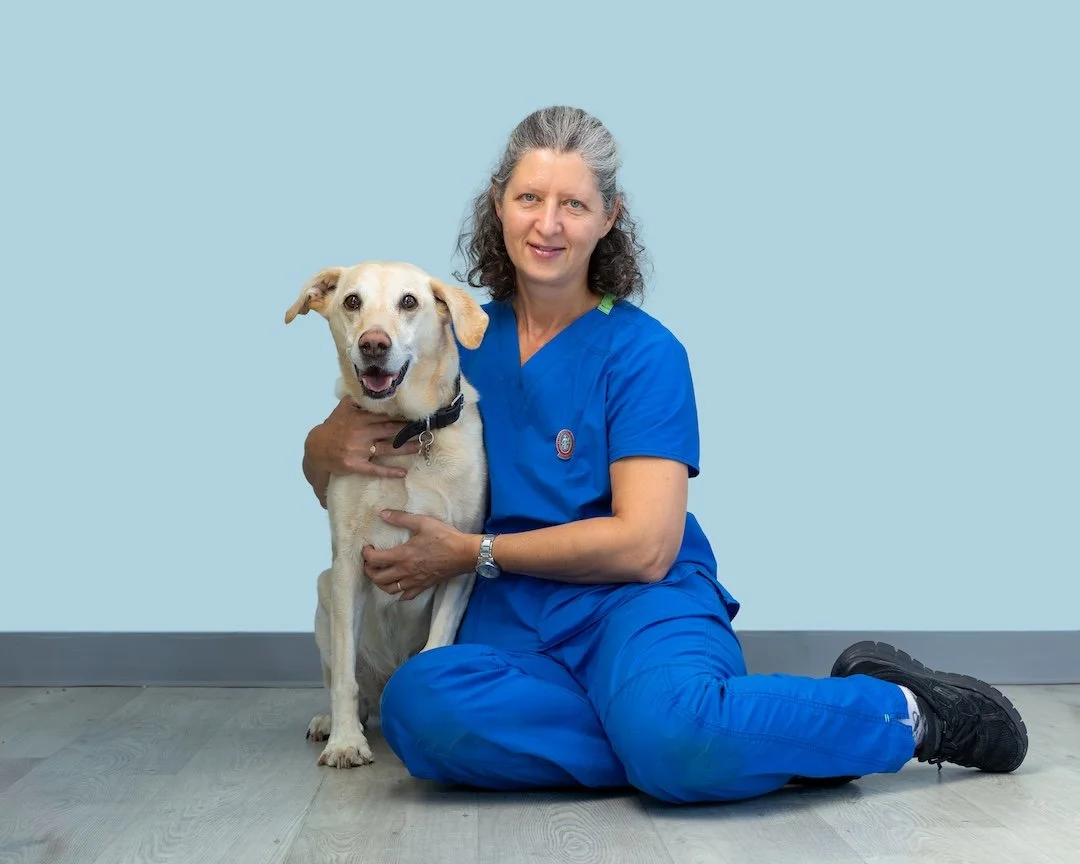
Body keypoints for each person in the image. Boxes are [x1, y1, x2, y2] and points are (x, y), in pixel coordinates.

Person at [300, 105, 1028, 803]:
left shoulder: (644, 352)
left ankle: (904, 712)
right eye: (529, 197)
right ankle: (712, 739)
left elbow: (646, 547)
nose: (547, 224)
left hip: (637, 606)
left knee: (668, 728)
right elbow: (356, 486)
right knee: (421, 711)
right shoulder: (448, 338)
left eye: (574, 205)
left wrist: (473, 552)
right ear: (499, 204)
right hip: (514, 622)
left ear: (609, 218)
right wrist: (318, 445)